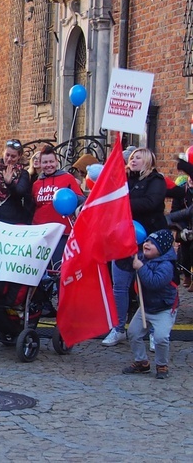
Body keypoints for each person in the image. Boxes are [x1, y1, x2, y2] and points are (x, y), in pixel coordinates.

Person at [104, 147, 167, 347]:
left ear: (148, 161)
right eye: (131, 157)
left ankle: (152, 331)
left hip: (148, 240)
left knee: (149, 287)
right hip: (122, 239)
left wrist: (122, 202)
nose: (133, 160)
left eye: (138, 157)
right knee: (120, 287)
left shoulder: (156, 180)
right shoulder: (123, 180)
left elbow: (151, 202)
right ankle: (118, 328)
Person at [121, 230, 177, 379]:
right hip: (145, 306)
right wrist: (125, 254)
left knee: (161, 337)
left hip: (163, 309)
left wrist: (141, 267)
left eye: (152, 243)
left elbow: (154, 282)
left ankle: (162, 364)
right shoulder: (141, 257)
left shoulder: (166, 266)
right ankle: (141, 362)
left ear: (162, 249)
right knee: (133, 333)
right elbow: (126, 266)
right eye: (146, 241)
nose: (147, 244)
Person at [31, 145, 85, 262]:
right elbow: (33, 206)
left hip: (62, 232)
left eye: (51, 161)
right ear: (40, 164)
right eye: (45, 162)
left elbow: (81, 200)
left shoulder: (67, 178)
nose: (48, 165)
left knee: (57, 266)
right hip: (40, 232)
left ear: (56, 162)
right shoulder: (36, 184)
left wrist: (69, 197)